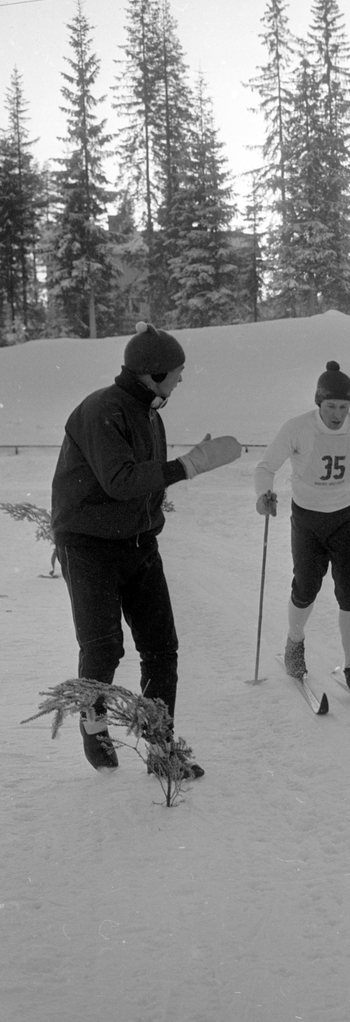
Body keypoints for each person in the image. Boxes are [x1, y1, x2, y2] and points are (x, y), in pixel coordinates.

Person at [51, 322, 243, 772]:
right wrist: (188, 466)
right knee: (103, 648)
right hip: (88, 545)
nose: (180, 379)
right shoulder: (102, 410)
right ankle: (93, 725)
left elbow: (144, 479)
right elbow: (119, 480)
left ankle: (160, 748)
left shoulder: (149, 412)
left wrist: (171, 482)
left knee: (161, 648)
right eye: (176, 371)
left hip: (139, 543)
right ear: (153, 374)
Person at [254, 361, 350, 700]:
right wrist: (263, 495)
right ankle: (295, 641)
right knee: (306, 586)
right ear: (318, 403)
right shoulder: (297, 428)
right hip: (308, 519)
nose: (337, 414)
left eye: (344, 406)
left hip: (347, 517)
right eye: (331, 406)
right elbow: (266, 466)